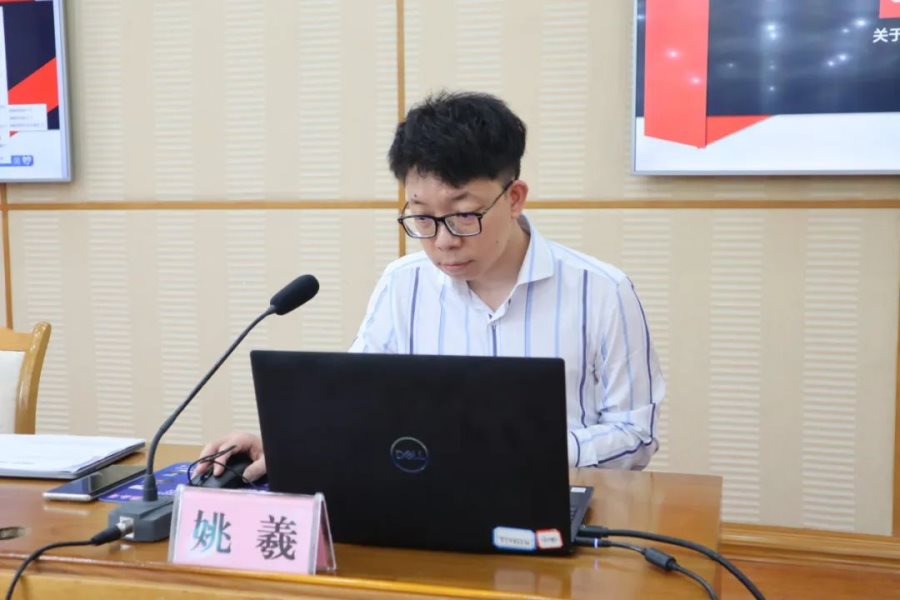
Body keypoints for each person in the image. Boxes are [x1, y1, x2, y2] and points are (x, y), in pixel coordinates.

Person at [200, 91, 665, 481]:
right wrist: (281, 443)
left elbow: (635, 434)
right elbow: (356, 405)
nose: (442, 242)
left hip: (558, 497)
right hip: (426, 497)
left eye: (463, 215)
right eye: (421, 217)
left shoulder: (601, 291)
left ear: (514, 198)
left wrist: (522, 453)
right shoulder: (403, 284)